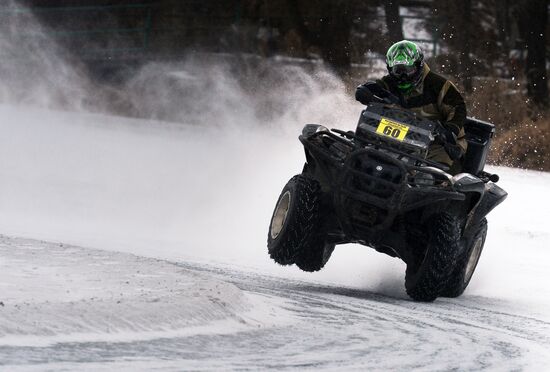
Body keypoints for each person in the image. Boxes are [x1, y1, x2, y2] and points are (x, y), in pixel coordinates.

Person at [356, 40, 467, 173]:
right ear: (390, 70)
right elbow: (373, 87)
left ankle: (434, 184)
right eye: (398, 71)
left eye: (408, 70)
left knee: (433, 175)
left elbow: (458, 108)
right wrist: (364, 91)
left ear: (419, 66)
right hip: (397, 139)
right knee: (361, 155)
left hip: (437, 144)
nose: (403, 77)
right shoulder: (388, 83)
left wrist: (450, 130)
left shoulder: (439, 85)